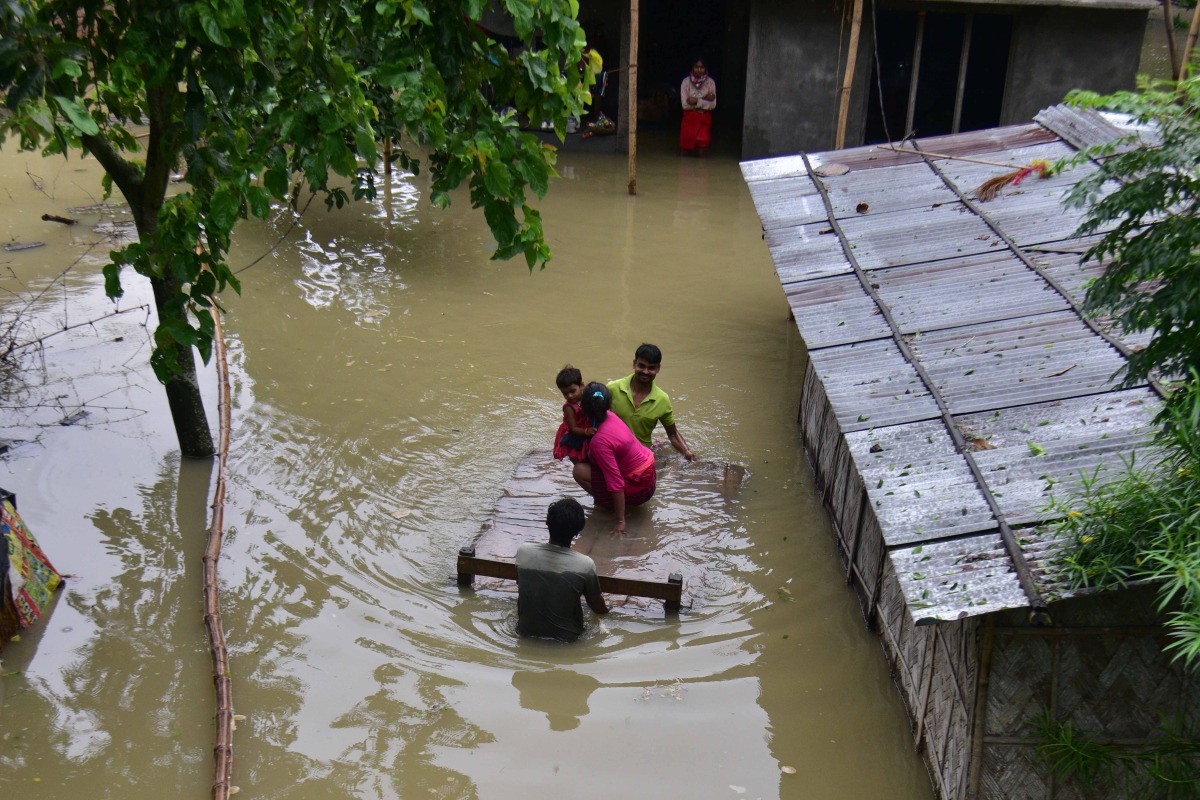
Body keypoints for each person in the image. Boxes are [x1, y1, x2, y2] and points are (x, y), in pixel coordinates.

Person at [515, 497, 609, 642]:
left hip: (524, 633)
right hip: (568, 640)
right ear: (577, 532)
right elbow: (597, 607)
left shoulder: (523, 553)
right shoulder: (585, 565)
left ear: (547, 523)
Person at [573, 382, 657, 536]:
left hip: (641, 489)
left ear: (583, 408)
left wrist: (620, 520)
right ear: (608, 405)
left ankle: (613, 508)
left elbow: (616, 483)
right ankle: (613, 504)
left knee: (579, 471)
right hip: (650, 477)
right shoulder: (611, 416)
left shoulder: (600, 442)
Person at [607, 343, 695, 461]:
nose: (645, 371)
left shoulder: (662, 399)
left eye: (651, 368)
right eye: (641, 366)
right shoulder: (612, 388)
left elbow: (672, 433)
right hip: (612, 450)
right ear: (634, 364)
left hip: (641, 456)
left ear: (658, 368)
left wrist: (686, 451)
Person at [552, 365, 595, 462]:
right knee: (578, 457)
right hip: (575, 433)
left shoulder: (586, 397)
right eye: (565, 393)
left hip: (585, 428)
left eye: (573, 391)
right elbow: (573, 428)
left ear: (582, 385)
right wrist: (586, 431)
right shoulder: (569, 408)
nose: (570, 396)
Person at [679, 59, 716, 156]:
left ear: (705, 68)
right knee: (684, 152)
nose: (699, 70)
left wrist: (696, 101)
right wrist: (705, 98)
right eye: (696, 67)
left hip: (704, 120)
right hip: (689, 120)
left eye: (702, 67)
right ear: (692, 67)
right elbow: (685, 105)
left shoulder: (710, 83)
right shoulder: (686, 82)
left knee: (702, 153)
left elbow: (712, 105)